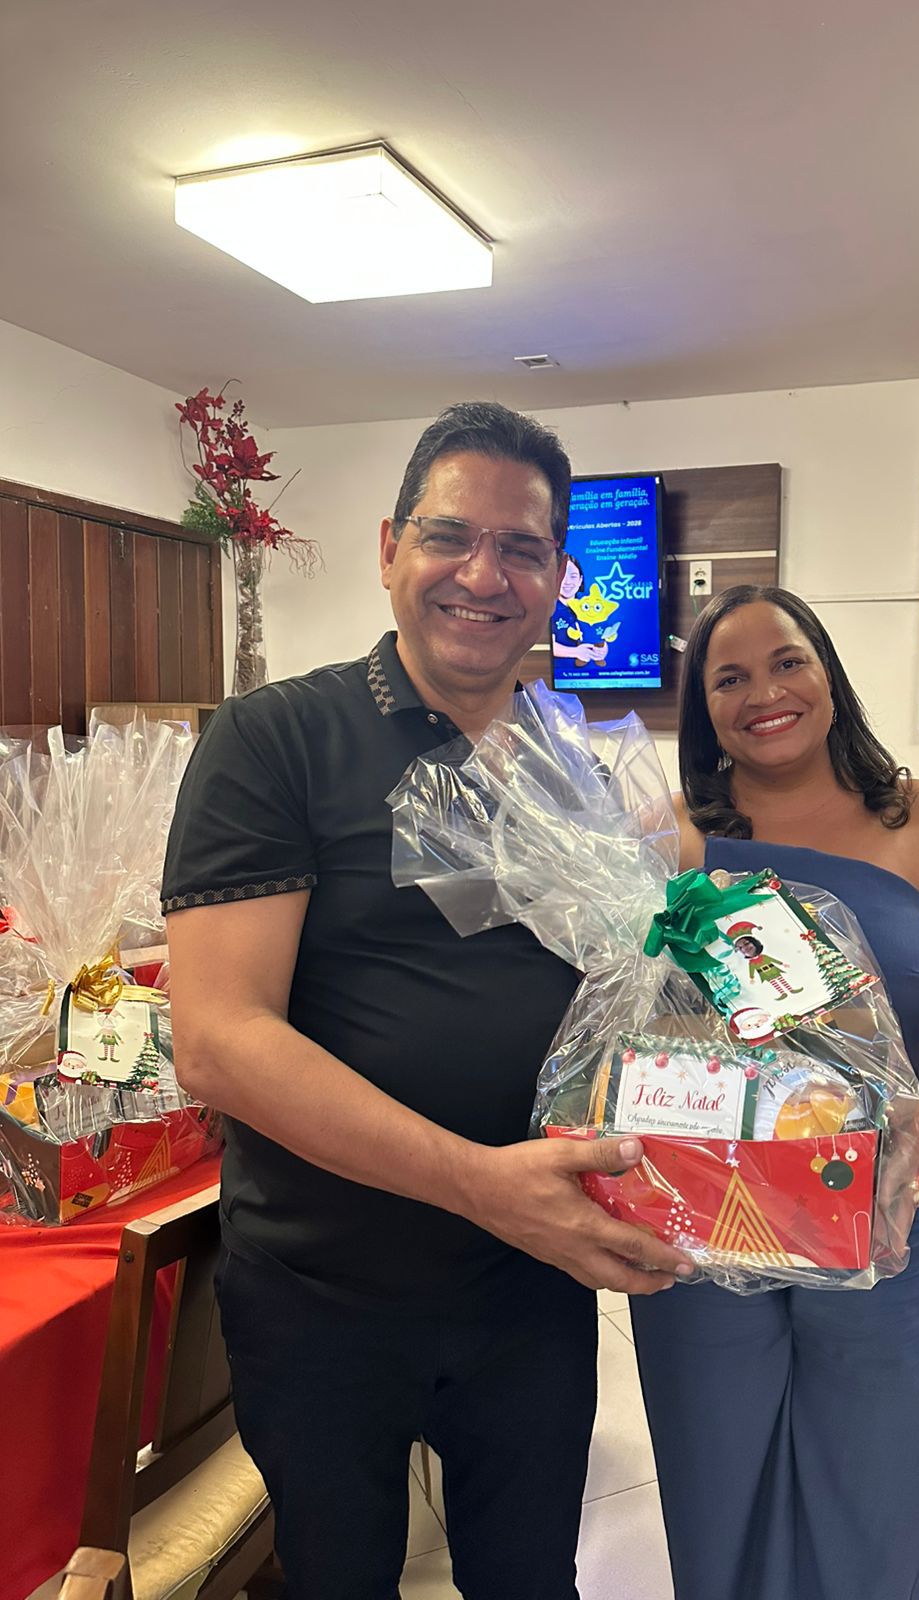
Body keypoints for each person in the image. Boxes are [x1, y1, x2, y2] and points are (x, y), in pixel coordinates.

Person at [162, 401, 692, 1600]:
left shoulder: (574, 762)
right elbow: (220, 1041)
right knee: (340, 1578)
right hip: (327, 1291)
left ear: (559, 577)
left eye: (523, 549)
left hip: (530, 1284)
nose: (483, 575)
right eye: (451, 536)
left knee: (530, 1578)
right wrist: (480, 1182)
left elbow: (631, 976)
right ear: (390, 546)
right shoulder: (275, 738)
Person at [630, 584, 919, 1600]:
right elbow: (620, 1021)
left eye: (788, 661)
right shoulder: (667, 836)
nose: (765, 693)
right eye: (730, 677)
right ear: (703, 709)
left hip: (881, 1206)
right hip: (708, 1217)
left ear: (827, 672)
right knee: (715, 1472)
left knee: (875, 1480)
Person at [551, 551, 608, 665]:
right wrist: (576, 652)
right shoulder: (549, 608)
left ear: (580, 580)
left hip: (592, 673)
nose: (567, 582)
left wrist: (602, 649)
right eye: (562, 576)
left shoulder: (590, 604)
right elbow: (550, 645)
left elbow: (600, 632)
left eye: (573, 576)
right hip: (561, 671)